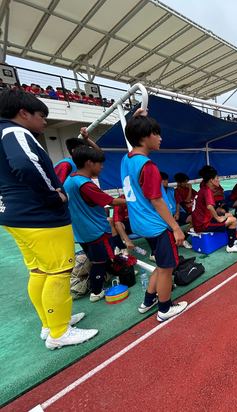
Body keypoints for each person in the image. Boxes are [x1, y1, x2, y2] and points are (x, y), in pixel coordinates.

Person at [0, 89, 97, 349]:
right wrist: (54, 195)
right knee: (59, 271)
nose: (44, 122)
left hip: (16, 215)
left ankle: (50, 323)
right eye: (41, 116)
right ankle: (59, 332)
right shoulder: (15, 132)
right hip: (39, 217)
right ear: (23, 113)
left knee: (39, 270)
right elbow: (25, 164)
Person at [120, 111, 188, 322]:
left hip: (140, 223)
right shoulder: (148, 166)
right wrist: (175, 227)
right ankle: (165, 309)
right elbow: (157, 200)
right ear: (144, 136)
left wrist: (136, 119)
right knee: (167, 268)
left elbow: (132, 135)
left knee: (160, 264)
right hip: (157, 225)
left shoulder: (126, 159)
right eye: (156, 133)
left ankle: (148, 300)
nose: (160, 138)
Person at [63, 146, 126, 302]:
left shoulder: (70, 180)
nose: (102, 167)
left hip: (81, 231)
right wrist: (134, 201)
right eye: (100, 163)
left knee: (97, 259)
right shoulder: (85, 184)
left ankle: (115, 274)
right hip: (95, 231)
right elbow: (111, 201)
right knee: (99, 262)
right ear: (89, 163)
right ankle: (96, 292)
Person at [192, 165, 237, 253]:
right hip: (203, 224)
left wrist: (222, 216)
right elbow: (209, 206)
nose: (219, 180)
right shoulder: (207, 191)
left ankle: (234, 238)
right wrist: (218, 218)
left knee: (228, 215)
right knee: (233, 220)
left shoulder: (204, 189)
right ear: (211, 180)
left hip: (202, 221)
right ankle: (231, 246)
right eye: (217, 178)